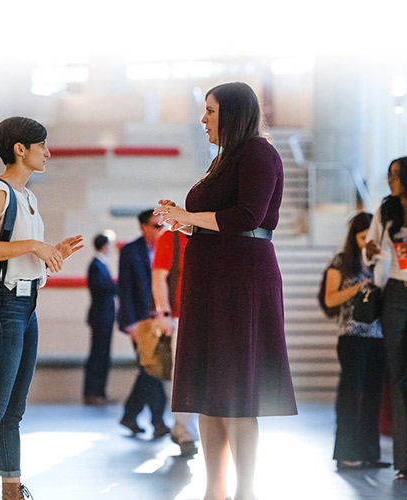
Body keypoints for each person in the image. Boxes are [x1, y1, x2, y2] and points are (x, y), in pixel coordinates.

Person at [154, 82, 297, 500]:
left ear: (233, 113)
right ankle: (213, 490)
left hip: (240, 280)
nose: (203, 119)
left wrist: (187, 214)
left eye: (211, 111)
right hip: (211, 278)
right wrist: (183, 221)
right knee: (208, 392)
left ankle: (244, 491)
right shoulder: (224, 159)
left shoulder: (258, 152)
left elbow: (248, 215)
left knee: (238, 392)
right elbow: (218, 219)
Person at [0, 117, 83, 500]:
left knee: (14, 410)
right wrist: (35, 247)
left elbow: (16, 253)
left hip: (26, 306)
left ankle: (13, 488)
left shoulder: (28, 196)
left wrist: (53, 252)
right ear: (20, 149)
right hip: (3, 308)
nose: (49, 153)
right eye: (42, 145)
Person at [324, 212, 388, 471]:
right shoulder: (342, 262)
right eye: (362, 237)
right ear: (354, 237)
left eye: (370, 237)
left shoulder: (382, 261)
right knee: (351, 396)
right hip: (352, 337)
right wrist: (359, 287)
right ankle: (346, 454)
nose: (366, 242)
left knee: (373, 397)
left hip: (379, 337)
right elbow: (330, 299)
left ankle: (370, 454)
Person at [365, 156, 407, 480]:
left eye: (396, 175)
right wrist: (379, 253)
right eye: (388, 175)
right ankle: (405, 462)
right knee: (398, 377)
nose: (391, 180)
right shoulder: (386, 211)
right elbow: (370, 250)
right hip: (395, 293)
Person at [117, 209, 170, 438]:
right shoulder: (130, 251)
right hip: (141, 323)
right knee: (152, 369)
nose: (161, 231)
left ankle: (130, 415)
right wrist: (131, 325)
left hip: (162, 319)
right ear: (143, 227)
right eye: (156, 226)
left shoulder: (167, 249)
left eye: (163, 226)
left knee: (149, 370)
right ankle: (158, 422)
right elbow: (125, 290)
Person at [152, 229, 200, 457]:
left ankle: (186, 429)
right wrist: (163, 313)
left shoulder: (216, 234)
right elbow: (159, 275)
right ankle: (184, 432)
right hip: (181, 317)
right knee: (186, 376)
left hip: (212, 317)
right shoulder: (170, 237)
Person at [83, 232, 117, 405]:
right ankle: (92, 393)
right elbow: (102, 288)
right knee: (98, 355)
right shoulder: (96, 265)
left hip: (106, 317)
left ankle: (100, 392)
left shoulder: (101, 264)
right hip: (100, 317)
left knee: (103, 355)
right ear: (104, 246)